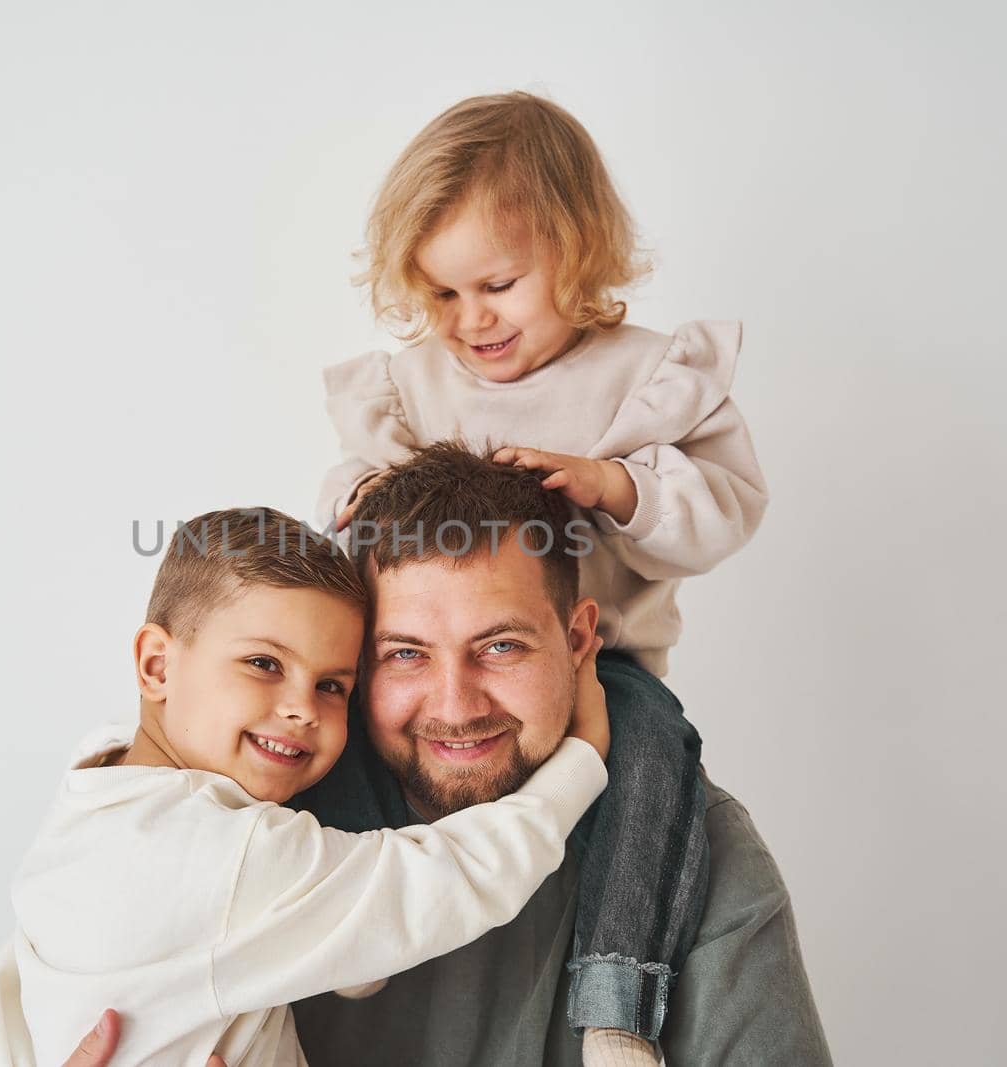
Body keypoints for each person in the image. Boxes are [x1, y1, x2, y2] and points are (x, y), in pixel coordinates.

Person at [0, 444, 829, 1067]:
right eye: (403, 653)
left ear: (580, 639)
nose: (454, 704)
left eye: (502, 646)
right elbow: (3, 1024)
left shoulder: (691, 855)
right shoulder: (256, 811)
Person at [315, 90, 769, 1063]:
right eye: (441, 295)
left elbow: (729, 505)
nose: (469, 319)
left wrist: (614, 485)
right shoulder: (415, 384)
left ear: (577, 251)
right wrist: (366, 492)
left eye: (498, 284)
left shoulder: (647, 376)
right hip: (431, 667)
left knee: (653, 756)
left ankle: (614, 999)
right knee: (335, 719)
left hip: (610, 666)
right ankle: (352, 907)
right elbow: (347, 495)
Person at [0, 506, 615, 1067]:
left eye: (333, 684)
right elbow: (456, 877)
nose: (303, 707)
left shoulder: (97, 785)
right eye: (264, 663)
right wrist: (584, 755)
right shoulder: (220, 850)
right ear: (157, 664)